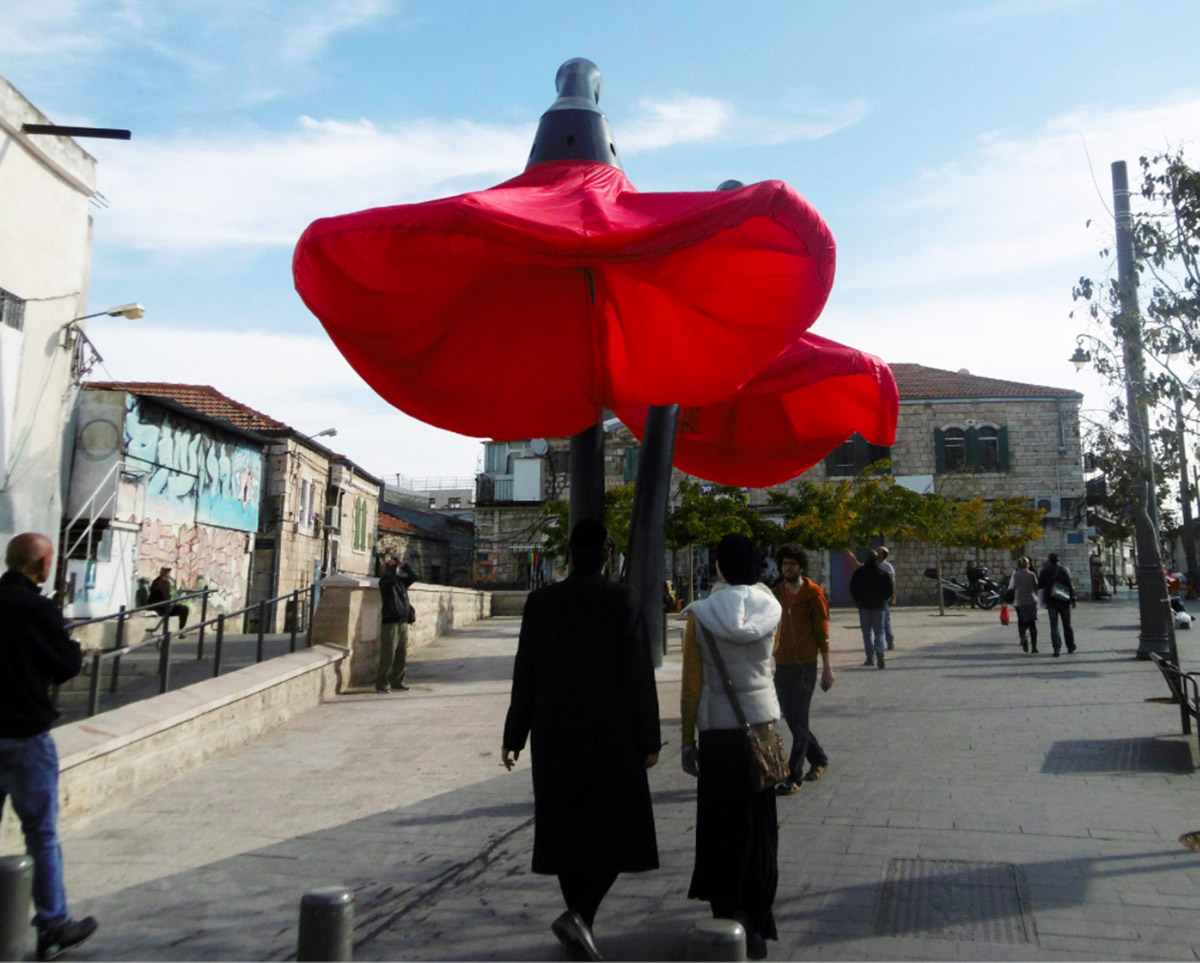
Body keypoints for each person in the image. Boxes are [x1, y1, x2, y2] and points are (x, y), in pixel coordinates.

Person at [502, 520, 660, 961]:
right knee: (616, 830)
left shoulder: (540, 603)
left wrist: (514, 735)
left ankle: (578, 916)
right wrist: (651, 737)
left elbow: (525, 673)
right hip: (612, 736)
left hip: (556, 736)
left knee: (566, 829)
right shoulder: (622, 600)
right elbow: (638, 675)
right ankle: (582, 916)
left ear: (569, 555)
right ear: (608, 555)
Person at [680, 533, 782, 960]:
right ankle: (757, 920)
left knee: (722, 824)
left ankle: (726, 911)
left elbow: (691, 684)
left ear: (719, 566)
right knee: (760, 824)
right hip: (762, 724)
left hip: (719, 731)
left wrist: (687, 740)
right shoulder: (772, 608)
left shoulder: (700, 616)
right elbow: (769, 663)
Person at [0, 533, 99, 961]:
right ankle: (53, 923)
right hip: (25, 736)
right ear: (42, 565)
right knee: (40, 835)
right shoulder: (39, 610)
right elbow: (66, 665)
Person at [771, 544, 833, 796]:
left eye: (792, 564)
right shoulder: (775, 595)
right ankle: (819, 759)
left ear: (801, 567)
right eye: (785, 564)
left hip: (806, 665)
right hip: (782, 664)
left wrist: (827, 668)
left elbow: (822, 632)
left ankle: (792, 776)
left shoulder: (813, 595)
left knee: (799, 719)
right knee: (792, 718)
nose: (788, 568)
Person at [377, 557, 417, 693]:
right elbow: (391, 579)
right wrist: (392, 566)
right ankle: (382, 683)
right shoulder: (384, 583)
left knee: (402, 654)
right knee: (388, 655)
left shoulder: (401, 583)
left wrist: (404, 565)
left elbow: (414, 576)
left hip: (403, 621)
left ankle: (398, 681)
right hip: (390, 623)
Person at [849, 549, 894, 668]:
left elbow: (853, 587)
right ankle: (880, 650)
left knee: (866, 632)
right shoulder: (882, 573)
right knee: (879, 631)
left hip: (863, 606)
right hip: (879, 606)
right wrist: (884, 600)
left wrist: (857, 601)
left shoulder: (859, 572)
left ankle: (870, 657)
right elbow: (889, 590)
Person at [1038, 552, 1077, 657]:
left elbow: (1040, 585)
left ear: (1049, 560)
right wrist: (1073, 599)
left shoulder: (1044, 571)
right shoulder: (1064, 570)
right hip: (1063, 599)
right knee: (1067, 624)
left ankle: (1056, 648)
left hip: (1051, 601)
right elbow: (1070, 584)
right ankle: (1070, 645)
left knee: (1053, 625)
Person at [1009, 556, 1040, 654]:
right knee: (1032, 625)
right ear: (1027, 564)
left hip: (1020, 601)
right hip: (1031, 601)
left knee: (1023, 622)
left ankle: (1024, 637)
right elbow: (1036, 587)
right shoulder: (1031, 575)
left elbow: (1012, 587)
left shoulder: (1016, 575)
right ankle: (1034, 647)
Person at [147, 566, 188, 630]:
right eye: (168, 573)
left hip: (164, 606)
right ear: (165, 574)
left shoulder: (163, 582)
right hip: (160, 608)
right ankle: (181, 629)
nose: (169, 575)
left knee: (184, 608)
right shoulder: (160, 582)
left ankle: (181, 629)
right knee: (183, 609)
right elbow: (163, 596)